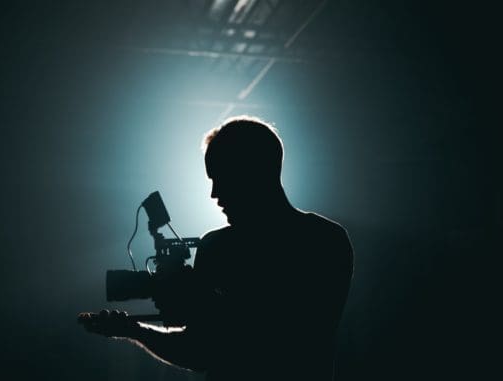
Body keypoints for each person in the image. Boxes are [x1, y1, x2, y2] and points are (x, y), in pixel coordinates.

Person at [79, 116, 354, 380]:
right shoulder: (327, 238)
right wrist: (135, 329)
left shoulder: (223, 248)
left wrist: (195, 303)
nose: (214, 194)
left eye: (221, 177)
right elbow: (202, 348)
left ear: (253, 171)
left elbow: (211, 349)